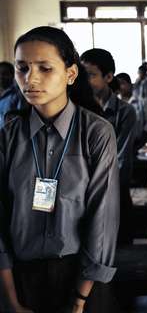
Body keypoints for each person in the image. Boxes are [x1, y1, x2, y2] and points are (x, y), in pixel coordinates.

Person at [0, 26, 119, 313]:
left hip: (81, 278)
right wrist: (11, 299)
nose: (31, 79)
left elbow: (102, 222)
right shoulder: (8, 135)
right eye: (22, 68)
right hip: (21, 278)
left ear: (71, 74)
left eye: (45, 68)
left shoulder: (96, 133)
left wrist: (78, 300)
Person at [80, 49, 138, 243]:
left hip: (115, 192)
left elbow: (121, 158)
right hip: (82, 193)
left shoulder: (125, 112)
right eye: (82, 74)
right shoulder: (78, 110)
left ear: (109, 76)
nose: (85, 80)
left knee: (120, 249)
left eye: (91, 75)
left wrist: (98, 190)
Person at [115, 72, 147, 146]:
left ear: (130, 85)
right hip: (119, 143)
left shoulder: (142, 101)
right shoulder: (115, 102)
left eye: (122, 83)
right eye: (117, 84)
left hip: (138, 142)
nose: (120, 86)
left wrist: (142, 140)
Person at [0, 61, 27, 128]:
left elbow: (21, 120)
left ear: (12, 75)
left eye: (5, 74)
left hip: (8, 135)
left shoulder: (19, 94)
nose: (1, 76)